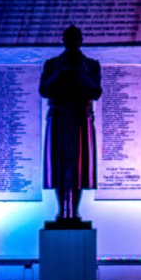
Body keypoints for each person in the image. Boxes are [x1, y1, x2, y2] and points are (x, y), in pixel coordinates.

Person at [38, 24, 101, 223]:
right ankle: (61, 211)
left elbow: (96, 92)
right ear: (63, 40)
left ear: (80, 40)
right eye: (68, 38)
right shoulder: (52, 64)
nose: (72, 43)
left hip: (81, 117)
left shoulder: (91, 65)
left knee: (79, 165)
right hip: (59, 116)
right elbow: (44, 90)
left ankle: (74, 211)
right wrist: (60, 72)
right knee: (59, 163)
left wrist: (79, 73)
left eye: (75, 38)